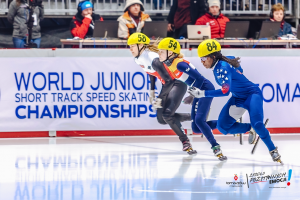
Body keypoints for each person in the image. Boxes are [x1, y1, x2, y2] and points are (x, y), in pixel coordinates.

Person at [189, 39, 283, 164]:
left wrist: (202, 93)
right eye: (200, 59)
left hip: (252, 95)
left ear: (212, 56)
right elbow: (239, 69)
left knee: (258, 124)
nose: (202, 62)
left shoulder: (222, 67)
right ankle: (250, 129)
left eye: (204, 58)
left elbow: (225, 91)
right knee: (222, 127)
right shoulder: (226, 60)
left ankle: (272, 150)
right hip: (238, 97)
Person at [157, 37, 227, 161]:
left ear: (171, 52)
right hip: (198, 90)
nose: (159, 54)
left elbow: (200, 78)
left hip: (205, 88)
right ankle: (228, 123)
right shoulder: (170, 64)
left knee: (200, 121)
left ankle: (215, 146)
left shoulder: (180, 64)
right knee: (195, 128)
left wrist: (194, 94)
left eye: (162, 51)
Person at [127, 33, 196, 155]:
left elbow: (169, 80)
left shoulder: (154, 59)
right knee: (161, 119)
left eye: (132, 46)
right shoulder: (138, 58)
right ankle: (195, 116)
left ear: (141, 45)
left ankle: (185, 141)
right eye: (129, 46)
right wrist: (152, 90)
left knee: (167, 114)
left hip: (177, 82)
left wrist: (159, 97)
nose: (130, 49)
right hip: (168, 84)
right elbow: (150, 72)